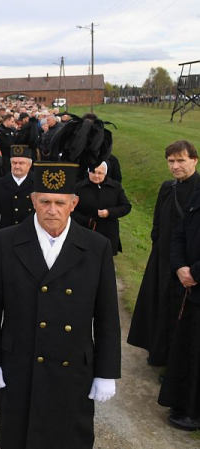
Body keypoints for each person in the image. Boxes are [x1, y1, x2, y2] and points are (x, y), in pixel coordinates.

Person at [0, 162, 121, 449]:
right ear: (32, 200)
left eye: (59, 203)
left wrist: (106, 371)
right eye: (44, 201)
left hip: (73, 367)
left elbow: (107, 316)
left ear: (74, 203)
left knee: (71, 445)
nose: (51, 210)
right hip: (21, 362)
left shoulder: (96, 247)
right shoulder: (6, 241)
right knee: (24, 442)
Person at [129, 140, 200, 366]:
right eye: (171, 161)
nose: (175, 166)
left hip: (187, 263)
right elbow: (158, 222)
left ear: (194, 161)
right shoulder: (167, 188)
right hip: (162, 258)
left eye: (181, 160)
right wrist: (157, 244)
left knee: (180, 313)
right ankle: (158, 352)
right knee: (160, 306)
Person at [159, 186, 200, 430]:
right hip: (190, 288)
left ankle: (194, 411)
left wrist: (194, 272)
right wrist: (179, 266)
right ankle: (183, 403)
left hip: (195, 280)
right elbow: (180, 234)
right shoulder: (198, 196)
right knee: (188, 348)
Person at [73, 161, 132, 256]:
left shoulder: (116, 187)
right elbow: (71, 210)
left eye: (100, 173)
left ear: (105, 173)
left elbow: (126, 206)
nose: (96, 176)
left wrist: (109, 212)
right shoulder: (79, 188)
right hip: (85, 231)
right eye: (93, 172)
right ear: (88, 172)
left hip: (108, 231)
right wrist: (86, 220)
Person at [0, 145, 35, 243]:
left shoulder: (37, 183)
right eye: (14, 163)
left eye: (21, 163)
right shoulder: (0, 183)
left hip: (31, 236)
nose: (17, 166)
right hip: (6, 235)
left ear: (29, 165)